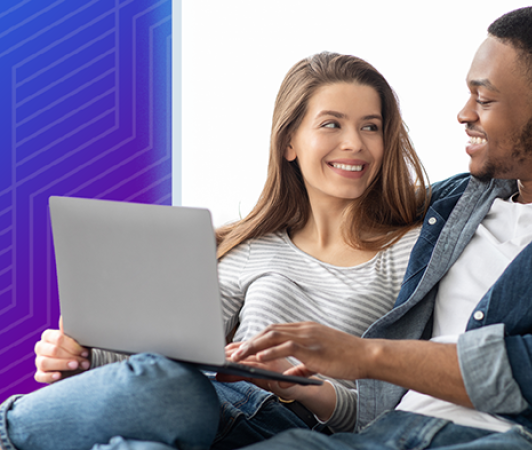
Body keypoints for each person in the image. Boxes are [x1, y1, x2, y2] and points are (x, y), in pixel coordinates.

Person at [221, 6, 532, 450]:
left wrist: (366, 356)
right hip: (388, 434)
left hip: (517, 439)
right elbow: (341, 209)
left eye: (484, 98)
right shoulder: (450, 205)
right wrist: (235, 240)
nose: (464, 113)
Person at [0, 52, 428, 450]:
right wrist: (84, 356)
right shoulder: (250, 245)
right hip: (207, 403)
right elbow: (170, 349)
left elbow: (384, 405)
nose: (354, 142)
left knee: (174, 392)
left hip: (289, 426)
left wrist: (299, 385)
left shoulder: (413, 251)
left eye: (370, 126)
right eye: (332, 124)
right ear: (289, 144)